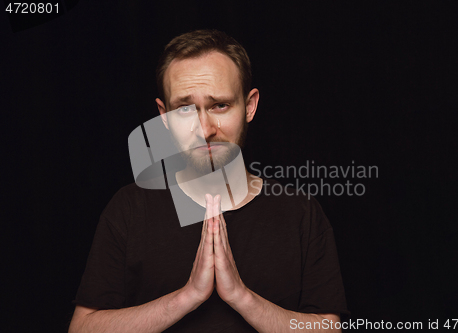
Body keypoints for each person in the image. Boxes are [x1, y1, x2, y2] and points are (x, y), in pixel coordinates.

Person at [69, 29, 349, 333]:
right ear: (164, 116)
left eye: (220, 105)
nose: (204, 129)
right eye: (185, 109)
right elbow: (82, 328)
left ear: (249, 106)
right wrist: (187, 296)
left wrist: (241, 297)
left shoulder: (300, 213)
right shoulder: (129, 209)